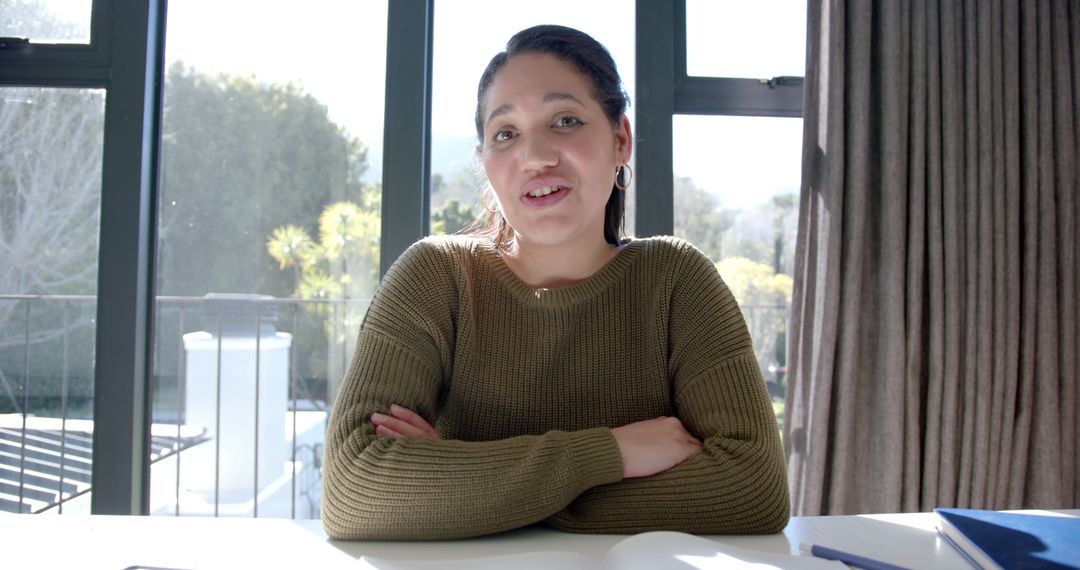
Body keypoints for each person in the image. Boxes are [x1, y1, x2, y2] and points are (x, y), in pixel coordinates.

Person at [321, 24, 790, 541]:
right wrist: (613, 453)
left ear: (621, 139)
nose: (535, 156)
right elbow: (353, 491)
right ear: (486, 162)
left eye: (565, 120)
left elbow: (754, 489)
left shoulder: (677, 281)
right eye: (506, 133)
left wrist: (470, 487)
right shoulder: (434, 276)